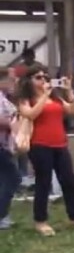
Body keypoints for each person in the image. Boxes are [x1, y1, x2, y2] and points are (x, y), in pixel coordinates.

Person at [15, 65, 74, 236]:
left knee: (68, 180)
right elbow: (30, 114)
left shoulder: (55, 98)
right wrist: (44, 95)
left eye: (45, 76)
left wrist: (69, 91)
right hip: (39, 145)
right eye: (38, 77)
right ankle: (40, 221)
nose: (43, 80)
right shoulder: (27, 98)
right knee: (44, 182)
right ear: (29, 81)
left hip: (60, 144)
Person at [0, 68, 21, 229]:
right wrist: (15, 123)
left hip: (4, 145)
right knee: (13, 178)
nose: (14, 82)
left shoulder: (5, 98)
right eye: (11, 79)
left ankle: (4, 216)